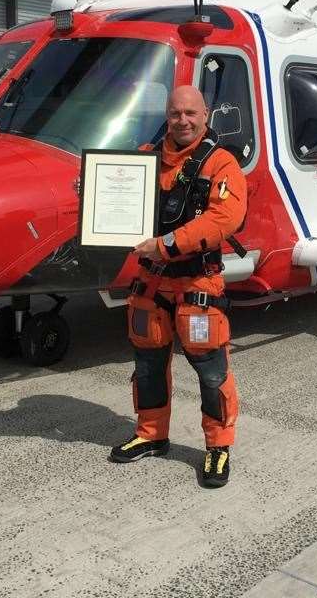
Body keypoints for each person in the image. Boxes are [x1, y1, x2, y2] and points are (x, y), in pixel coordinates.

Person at [109, 85, 247, 488]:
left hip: (197, 283)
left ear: (206, 116)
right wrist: (92, 197)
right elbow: (118, 198)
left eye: (191, 113)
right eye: (174, 114)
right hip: (151, 284)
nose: (182, 121)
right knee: (147, 367)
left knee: (211, 372)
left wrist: (166, 244)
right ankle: (152, 434)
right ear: (166, 117)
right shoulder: (145, 161)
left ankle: (218, 448)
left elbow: (224, 219)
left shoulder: (221, 164)